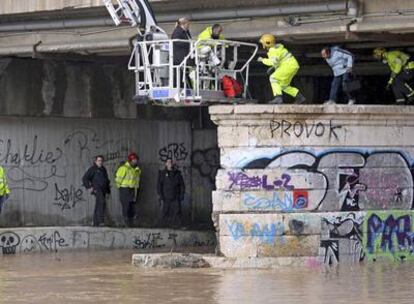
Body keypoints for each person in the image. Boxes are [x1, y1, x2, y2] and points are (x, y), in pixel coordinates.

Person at [257, 34, 305, 104]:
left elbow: (272, 62)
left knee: (273, 78)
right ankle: (299, 97)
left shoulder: (273, 50)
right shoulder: (278, 48)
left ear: (266, 44)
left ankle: (278, 97)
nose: (262, 44)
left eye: (263, 43)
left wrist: (262, 60)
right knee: (283, 85)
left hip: (288, 66)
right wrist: (273, 68)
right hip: (292, 66)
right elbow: (278, 62)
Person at [82, 155, 111, 227]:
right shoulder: (92, 169)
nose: (100, 162)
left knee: (98, 204)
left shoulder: (103, 169)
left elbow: (106, 180)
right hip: (96, 189)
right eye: (99, 161)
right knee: (101, 202)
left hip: (103, 189)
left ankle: (95, 222)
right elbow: (85, 178)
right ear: (95, 161)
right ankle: (101, 221)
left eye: (101, 161)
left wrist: (108, 191)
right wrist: (89, 187)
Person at [157, 158, 185, 228]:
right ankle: (163, 227)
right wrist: (160, 195)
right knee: (165, 212)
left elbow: (182, 185)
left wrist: (181, 194)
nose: (170, 164)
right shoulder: (162, 173)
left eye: (171, 162)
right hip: (166, 197)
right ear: (166, 164)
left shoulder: (177, 173)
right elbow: (159, 185)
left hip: (176, 197)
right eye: (168, 162)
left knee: (177, 212)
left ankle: (178, 226)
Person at [115, 152, 141, 227]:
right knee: (126, 206)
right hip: (125, 189)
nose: (136, 161)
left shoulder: (136, 169)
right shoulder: (124, 168)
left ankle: (131, 223)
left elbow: (136, 180)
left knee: (132, 206)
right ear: (130, 160)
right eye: (134, 160)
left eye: (136, 160)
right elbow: (118, 179)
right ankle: (125, 223)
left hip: (133, 189)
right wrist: (120, 187)